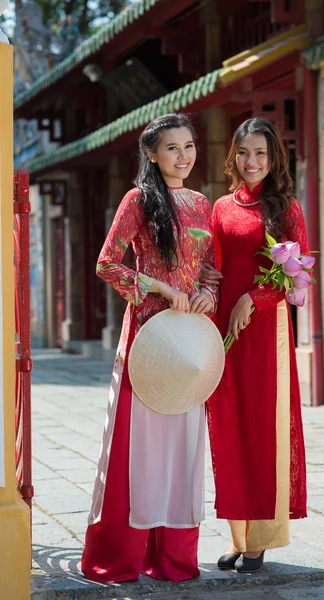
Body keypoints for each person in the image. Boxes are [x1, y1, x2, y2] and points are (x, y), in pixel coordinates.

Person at [82, 114, 217, 583]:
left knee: (181, 448)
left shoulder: (202, 203)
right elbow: (106, 264)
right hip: (147, 337)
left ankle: (174, 559)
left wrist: (208, 295)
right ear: (152, 155)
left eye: (188, 146)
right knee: (140, 449)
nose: (183, 156)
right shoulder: (138, 200)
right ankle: (123, 555)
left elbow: (209, 270)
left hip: (190, 342)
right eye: (172, 148)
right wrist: (157, 285)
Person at [200, 117, 308, 573]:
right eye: (244, 153)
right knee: (228, 428)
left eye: (261, 154)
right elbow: (212, 265)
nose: (251, 162)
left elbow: (296, 271)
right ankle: (239, 536)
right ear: (233, 156)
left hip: (265, 331)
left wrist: (254, 298)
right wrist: (208, 286)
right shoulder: (220, 207)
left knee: (263, 428)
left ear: (273, 158)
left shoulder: (286, 208)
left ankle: (262, 537)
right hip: (224, 331)